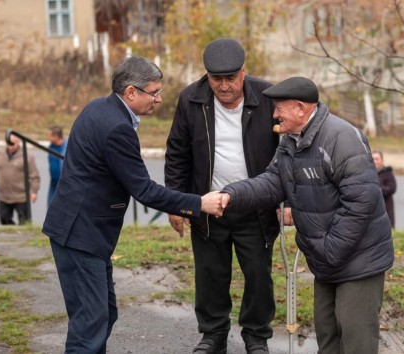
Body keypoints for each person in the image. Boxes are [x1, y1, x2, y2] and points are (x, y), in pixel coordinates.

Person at [42, 55, 224, 354]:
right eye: (154, 92)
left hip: (80, 232)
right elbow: (145, 190)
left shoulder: (98, 107)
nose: (159, 98)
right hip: (81, 235)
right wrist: (198, 204)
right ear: (131, 92)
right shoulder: (117, 128)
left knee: (102, 316)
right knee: (90, 325)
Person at [220, 77, 394, 354]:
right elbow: (272, 180)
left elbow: (362, 203)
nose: (274, 114)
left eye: (279, 108)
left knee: (356, 339)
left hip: (357, 259)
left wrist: (328, 249)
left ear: (301, 108)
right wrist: (230, 195)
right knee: (327, 336)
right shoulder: (291, 140)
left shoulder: (341, 138)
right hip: (327, 258)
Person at [164, 38, 280, 354]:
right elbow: (177, 153)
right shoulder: (191, 99)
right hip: (208, 205)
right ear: (207, 76)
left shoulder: (268, 98)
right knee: (210, 274)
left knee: (258, 275)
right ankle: (213, 334)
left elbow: (287, 153)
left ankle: (256, 336)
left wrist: (289, 201)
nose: (224, 86)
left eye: (231, 78)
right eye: (217, 79)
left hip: (255, 207)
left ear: (244, 72)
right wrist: (177, 203)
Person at [0, 134, 40, 225]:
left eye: (12, 144)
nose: (10, 146)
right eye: (8, 143)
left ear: (18, 143)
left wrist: (34, 191)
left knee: (24, 222)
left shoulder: (27, 156)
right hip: (4, 197)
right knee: (4, 220)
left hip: (21, 197)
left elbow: (34, 175)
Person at [373, 150, 397, 229]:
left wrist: (376, 188)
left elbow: (392, 188)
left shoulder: (388, 173)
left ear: (382, 160)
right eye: (372, 159)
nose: (375, 161)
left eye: (377, 159)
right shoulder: (367, 173)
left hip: (386, 208)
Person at [47, 125, 67, 205]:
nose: (48, 138)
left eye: (49, 136)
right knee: (50, 206)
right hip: (53, 183)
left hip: (64, 183)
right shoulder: (51, 147)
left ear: (56, 136)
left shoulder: (67, 147)